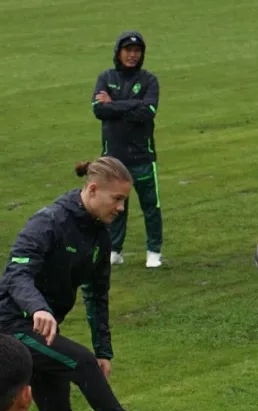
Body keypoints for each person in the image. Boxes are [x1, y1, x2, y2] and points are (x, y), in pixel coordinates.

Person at [0, 157, 180, 411]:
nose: (121, 208)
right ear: (92, 190)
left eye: (125, 202)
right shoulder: (48, 222)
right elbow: (17, 274)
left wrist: (104, 349)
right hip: (11, 325)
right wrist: (38, 307)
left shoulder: (98, 234)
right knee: (80, 363)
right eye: (117, 199)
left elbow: (98, 294)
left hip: (42, 331)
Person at [92, 31, 163, 269]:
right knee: (115, 205)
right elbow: (99, 110)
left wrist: (114, 104)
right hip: (113, 156)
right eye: (128, 51)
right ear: (119, 52)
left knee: (150, 206)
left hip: (142, 154)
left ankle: (154, 251)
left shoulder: (149, 80)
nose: (133, 55)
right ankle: (114, 249)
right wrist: (133, 104)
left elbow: (148, 112)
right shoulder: (106, 77)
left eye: (137, 51)